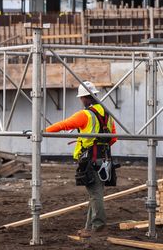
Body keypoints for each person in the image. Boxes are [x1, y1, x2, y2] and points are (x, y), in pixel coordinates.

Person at [45, 81, 117, 238]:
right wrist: (100, 145)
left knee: (95, 194)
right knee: (95, 194)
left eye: (81, 98)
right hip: (104, 159)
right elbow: (113, 138)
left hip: (91, 160)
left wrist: (43, 131)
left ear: (85, 98)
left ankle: (98, 227)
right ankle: (90, 227)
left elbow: (64, 125)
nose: (81, 101)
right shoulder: (107, 113)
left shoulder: (85, 114)